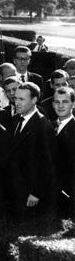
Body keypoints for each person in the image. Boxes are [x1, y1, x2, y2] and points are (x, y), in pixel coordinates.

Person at [9, 82, 56, 221]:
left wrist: (36, 192)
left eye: (21, 99)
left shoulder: (43, 125)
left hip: (30, 193)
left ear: (34, 100)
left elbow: (48, 163)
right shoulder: (17, 119)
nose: (16, 102)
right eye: (16, 98)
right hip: (16, 188)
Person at [52, 87, 75, 218]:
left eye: (65, 102)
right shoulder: (51, 125)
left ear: (73, 103)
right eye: (57, 102)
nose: (60, 106)